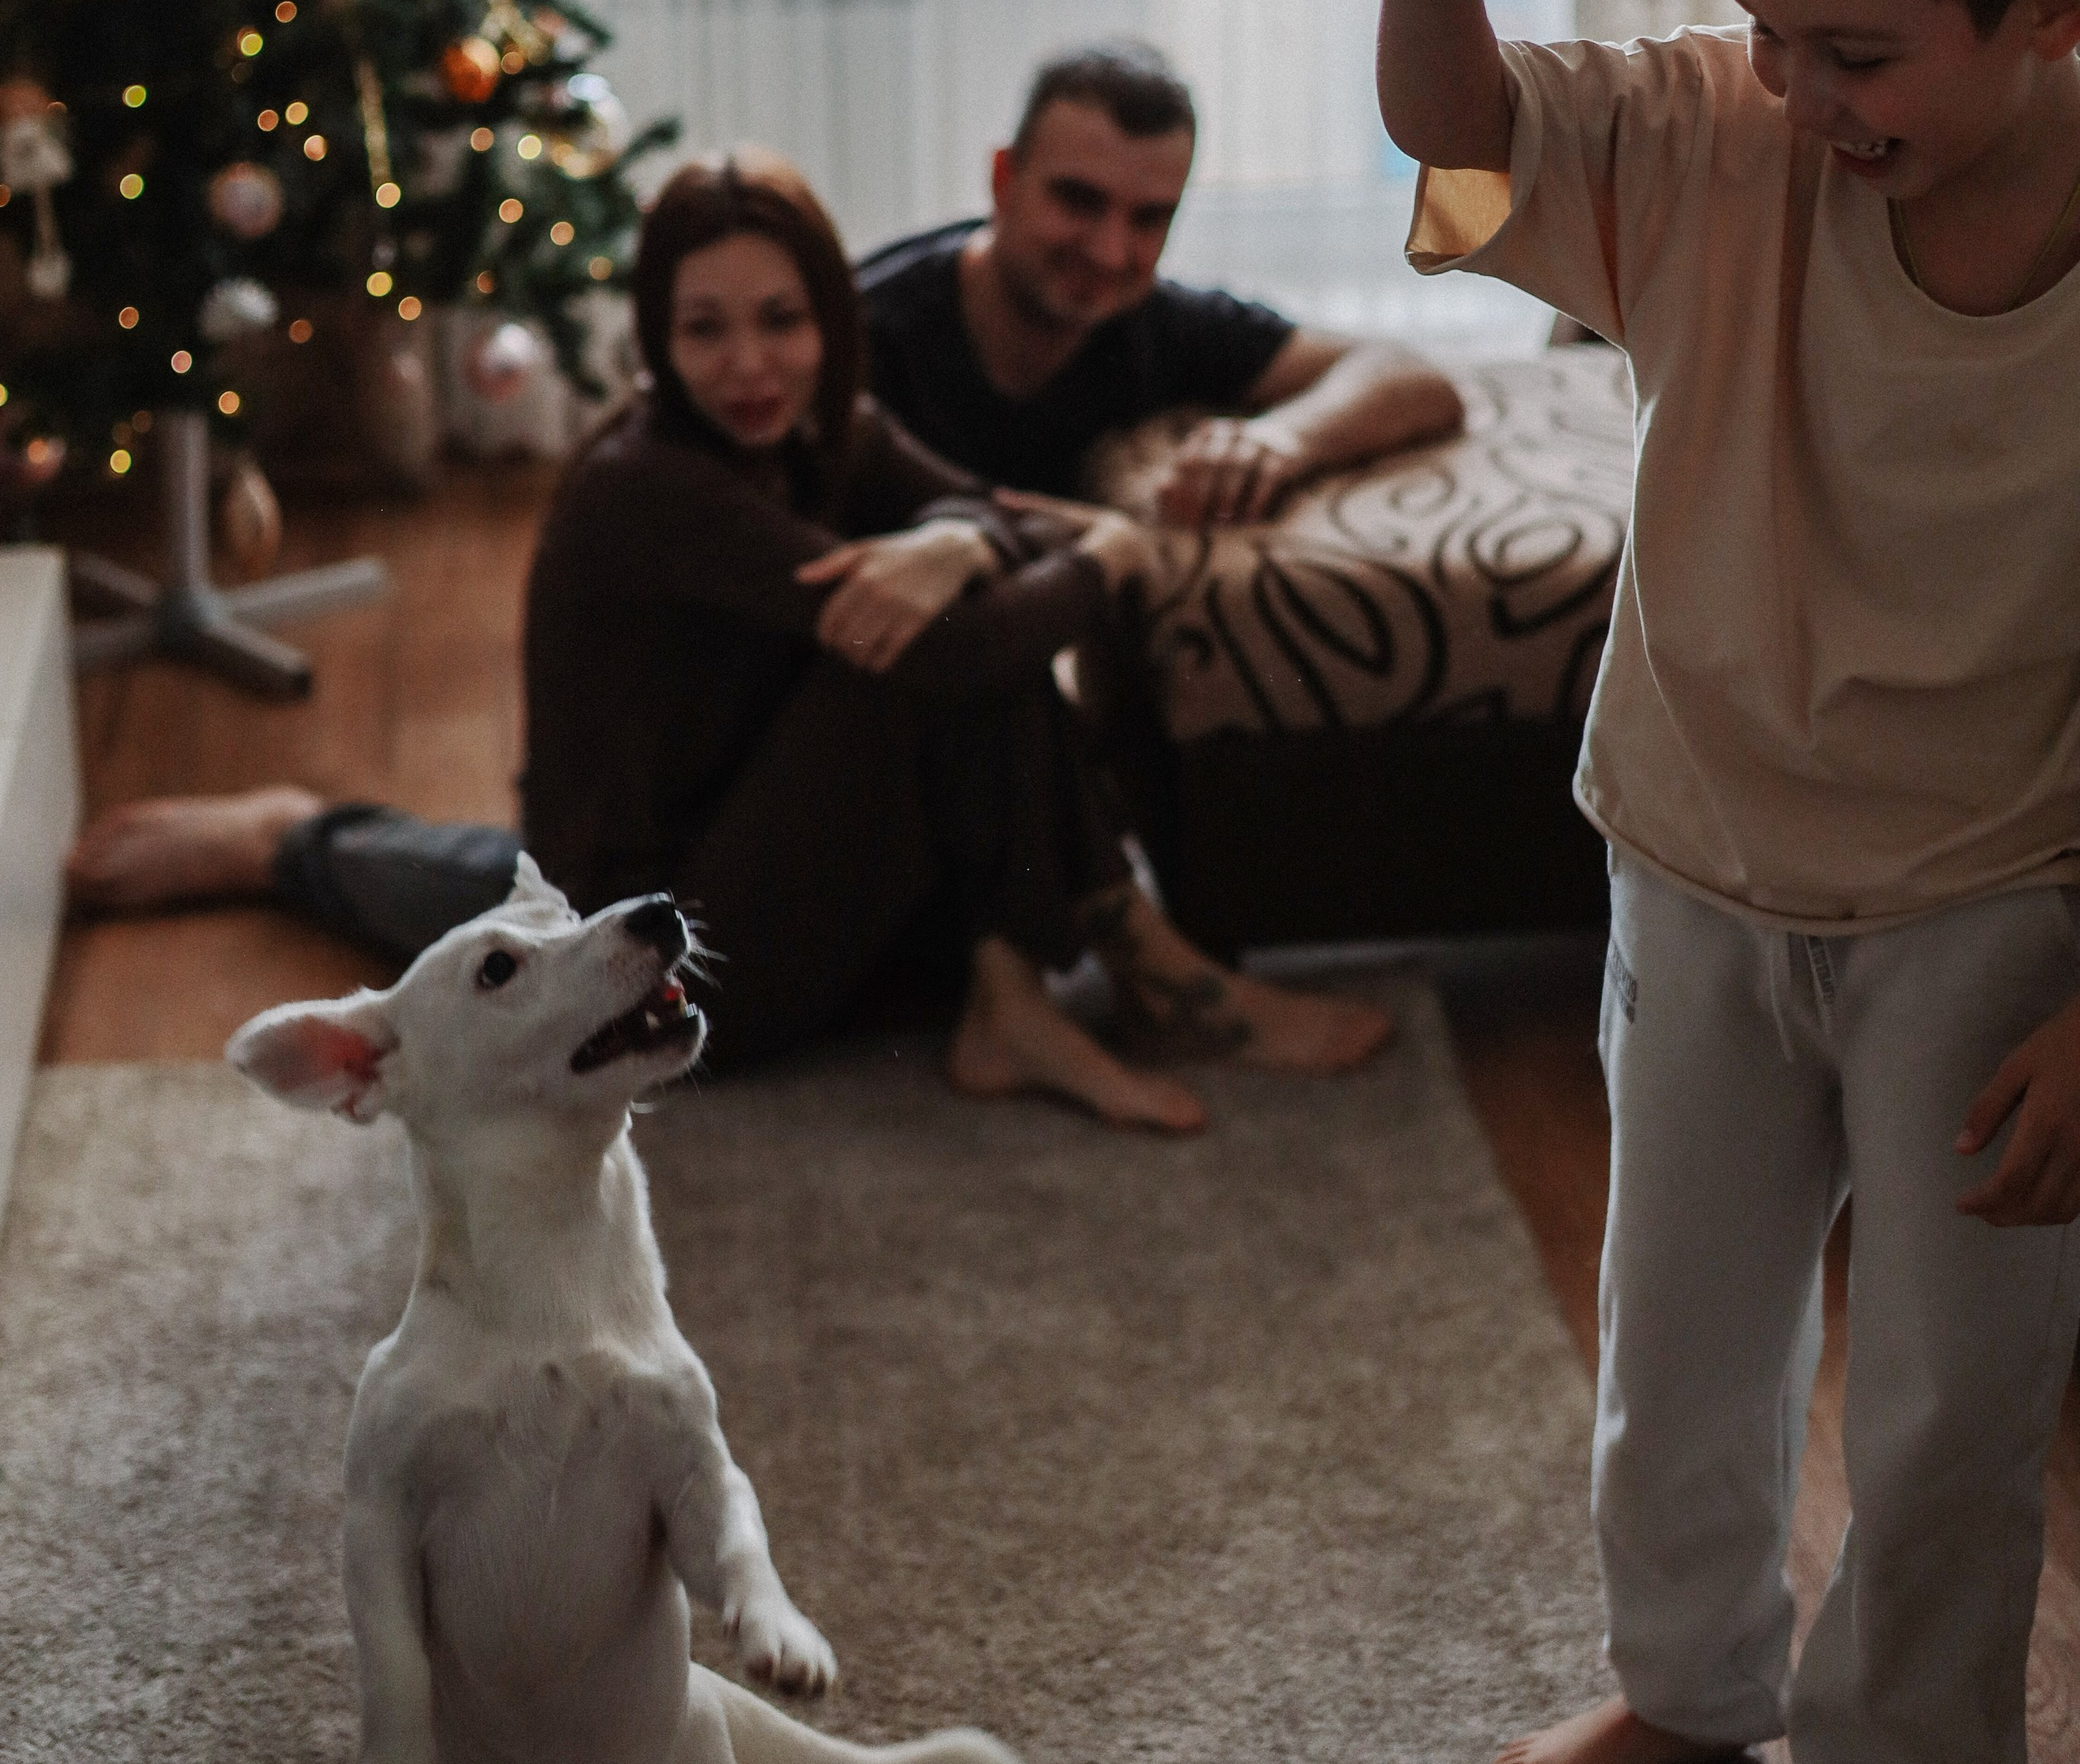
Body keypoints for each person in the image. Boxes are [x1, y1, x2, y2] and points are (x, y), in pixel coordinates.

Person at [1354, 0, 2080, 1764]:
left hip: (1989, 904)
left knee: (1946, 1427)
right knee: (1675, 1341)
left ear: (2055, 7)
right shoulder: (1724, 131)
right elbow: (1459, 164)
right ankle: (1684, 1680)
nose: (1794, 92)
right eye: (1765, 27)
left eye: (1857, 52)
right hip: (1689, 841)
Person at [75, 155, 1389, 1123]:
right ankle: (1125, 970)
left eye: (782, 320)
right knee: (915, 658)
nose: (751, 364)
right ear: (657, 338)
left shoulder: (834, 428)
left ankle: (1018, 994)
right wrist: (1112, 548)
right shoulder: (651, 484)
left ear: (831, 318)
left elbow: (983, 516)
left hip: (725, 825)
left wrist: (955, 541)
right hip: (658, 955)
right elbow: (984, 621)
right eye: (704, 329)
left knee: (933, 611)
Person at [857, 41, 1465, 518]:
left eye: (1150, 217)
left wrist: (1284, 439)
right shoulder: (863, 329)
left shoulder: (1158, 322)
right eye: (1078, 200)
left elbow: (1408, 375)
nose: (1110, 251)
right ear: (1003, 180)